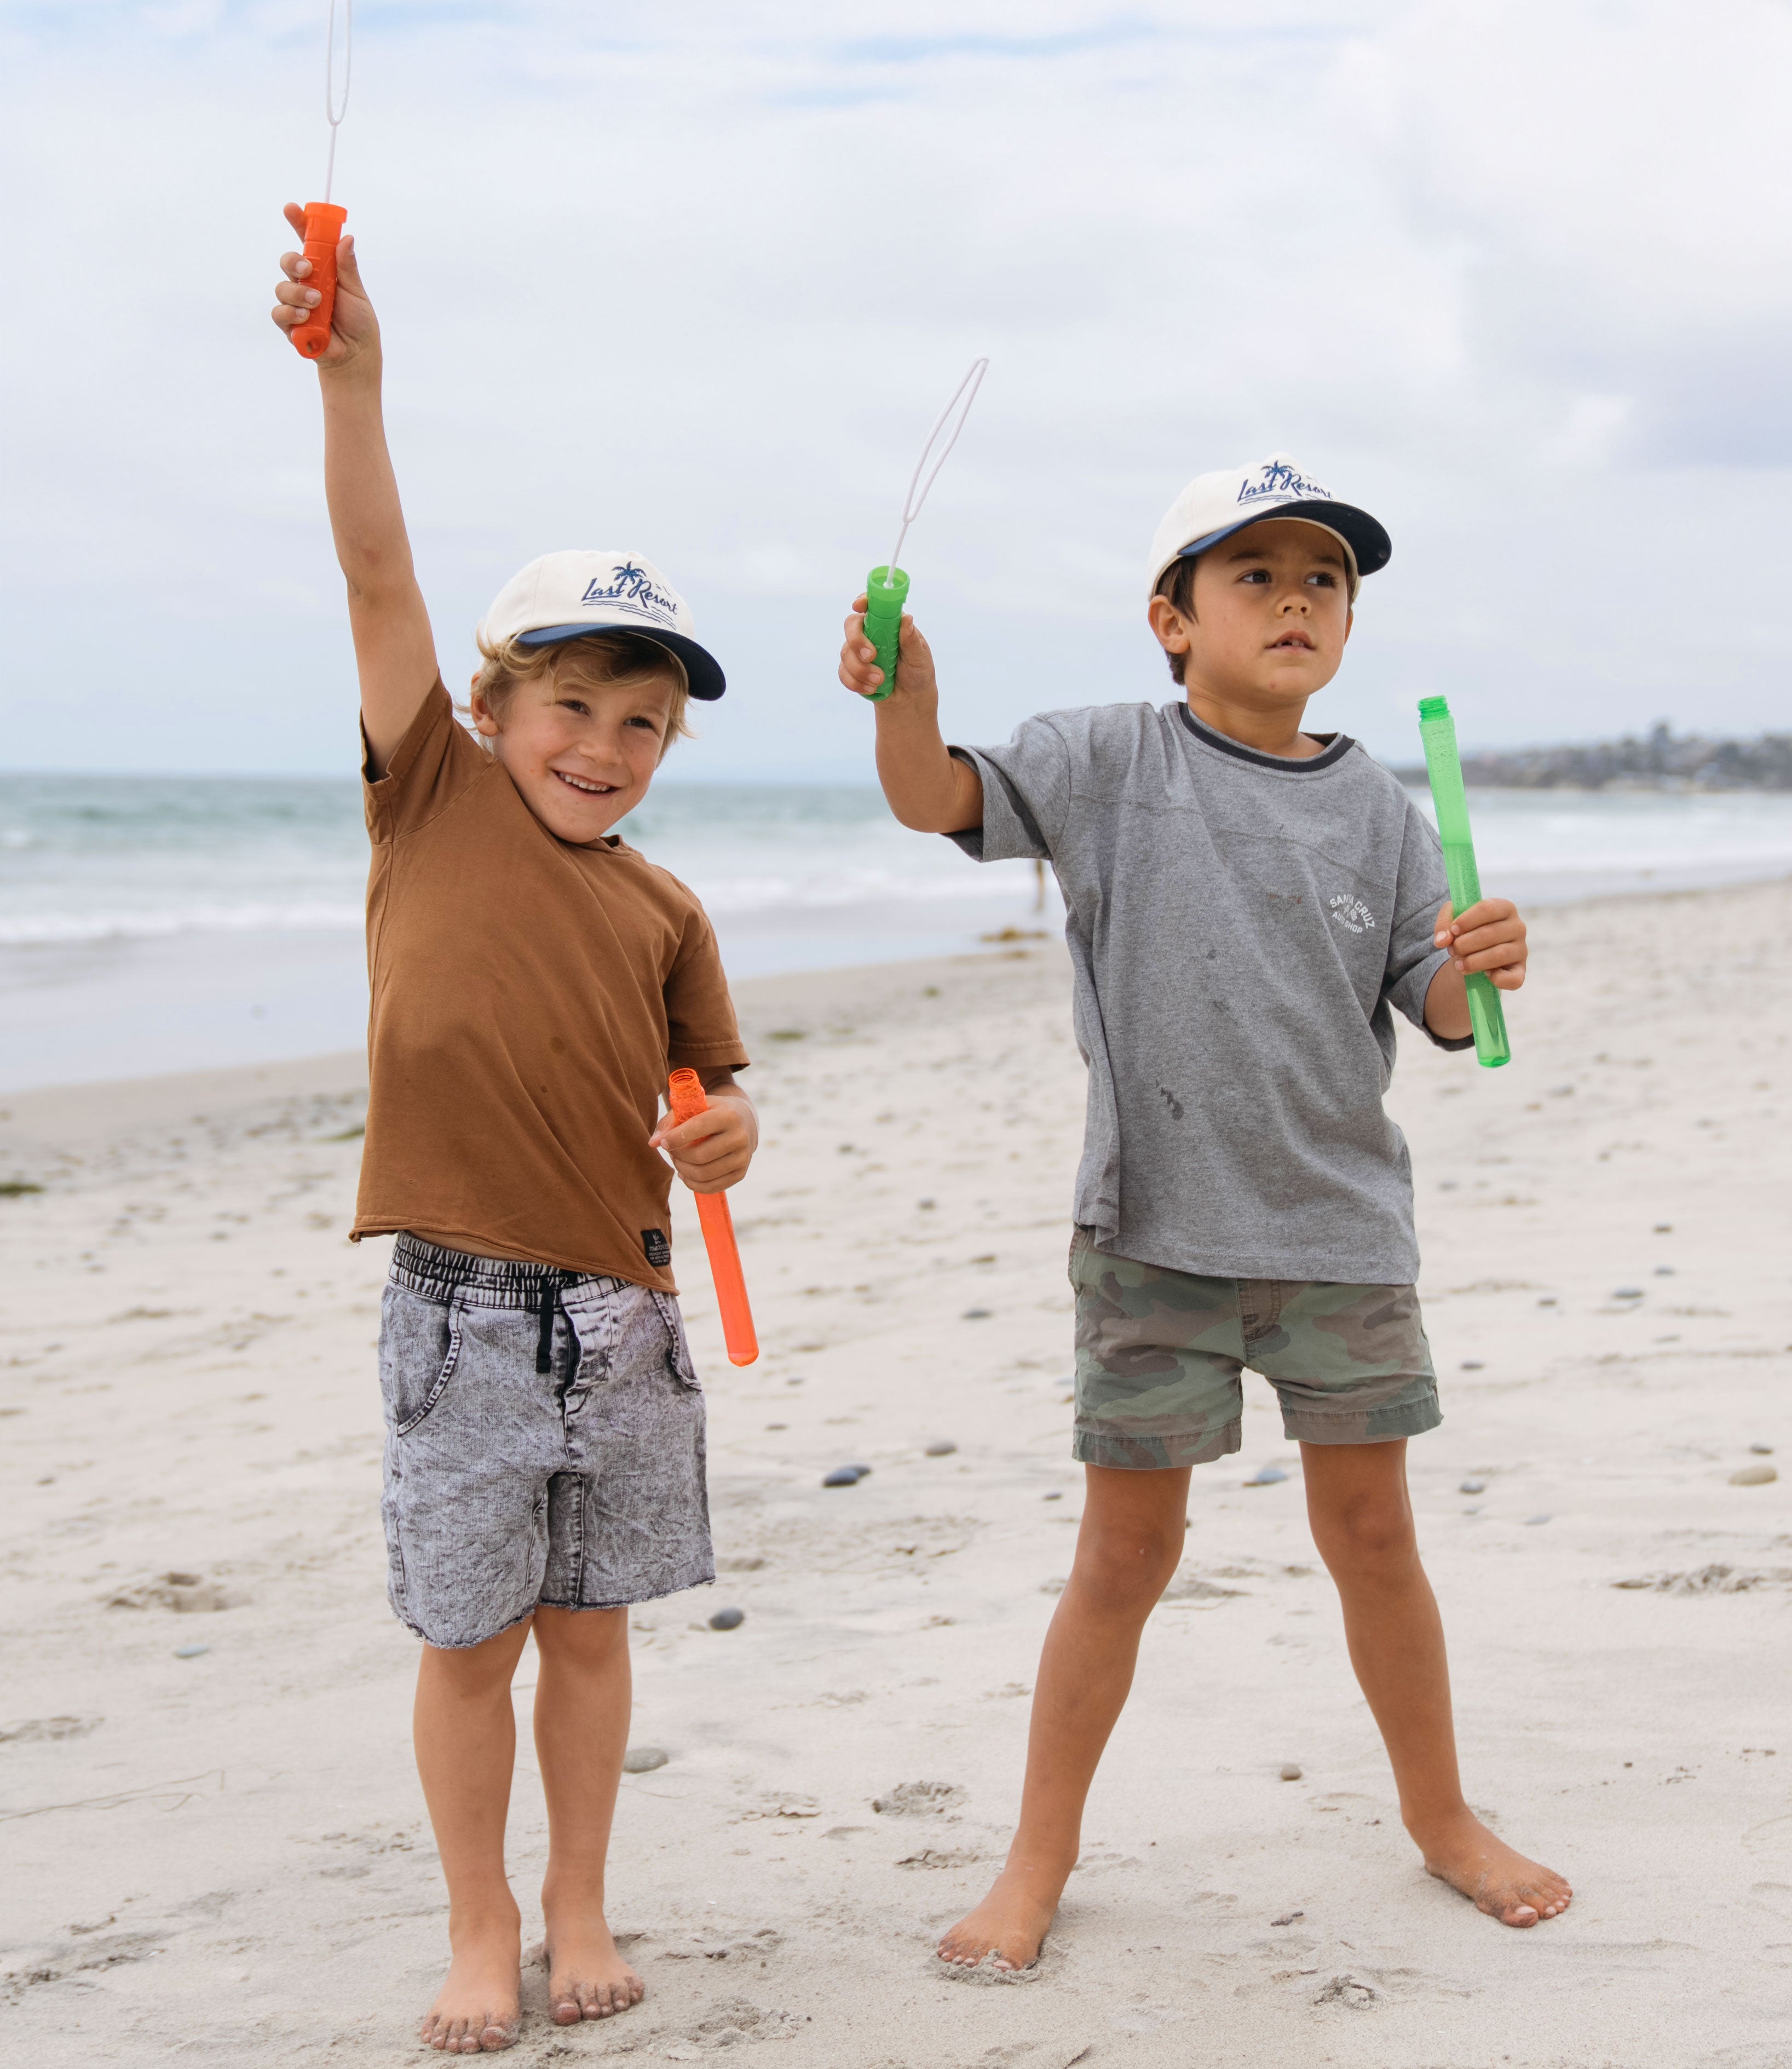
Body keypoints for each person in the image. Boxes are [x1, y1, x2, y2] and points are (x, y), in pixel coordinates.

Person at [837, 458, 1571, 1972]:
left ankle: (1440, 1816)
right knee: (1123, 1553)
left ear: (1349, 624)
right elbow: (932, 796)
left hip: (1339, 1233)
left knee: (1374, 1535)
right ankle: (1037, 1855)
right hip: (1152, 1231)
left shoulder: (1378, 806)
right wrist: (900, 696)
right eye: (1255, 576)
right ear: (1171, 620)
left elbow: (1429, 999)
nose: (1295, 600)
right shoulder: (1108, 762)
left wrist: (1479, 959)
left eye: (1323, 581)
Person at [272, 215, 758, 2053]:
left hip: (624, 1317)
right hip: (455, 1314)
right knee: (465, 1639)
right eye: (573, 704)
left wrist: (723, 1145)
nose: (607, 743)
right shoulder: (431, 805)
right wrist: (352, 373)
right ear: (490, 708)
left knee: (593, 1632)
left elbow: (713, 1106)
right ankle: (480, 1924)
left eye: (643, 721)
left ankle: (579, 1902)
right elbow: (376, 561)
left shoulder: (666, 907)